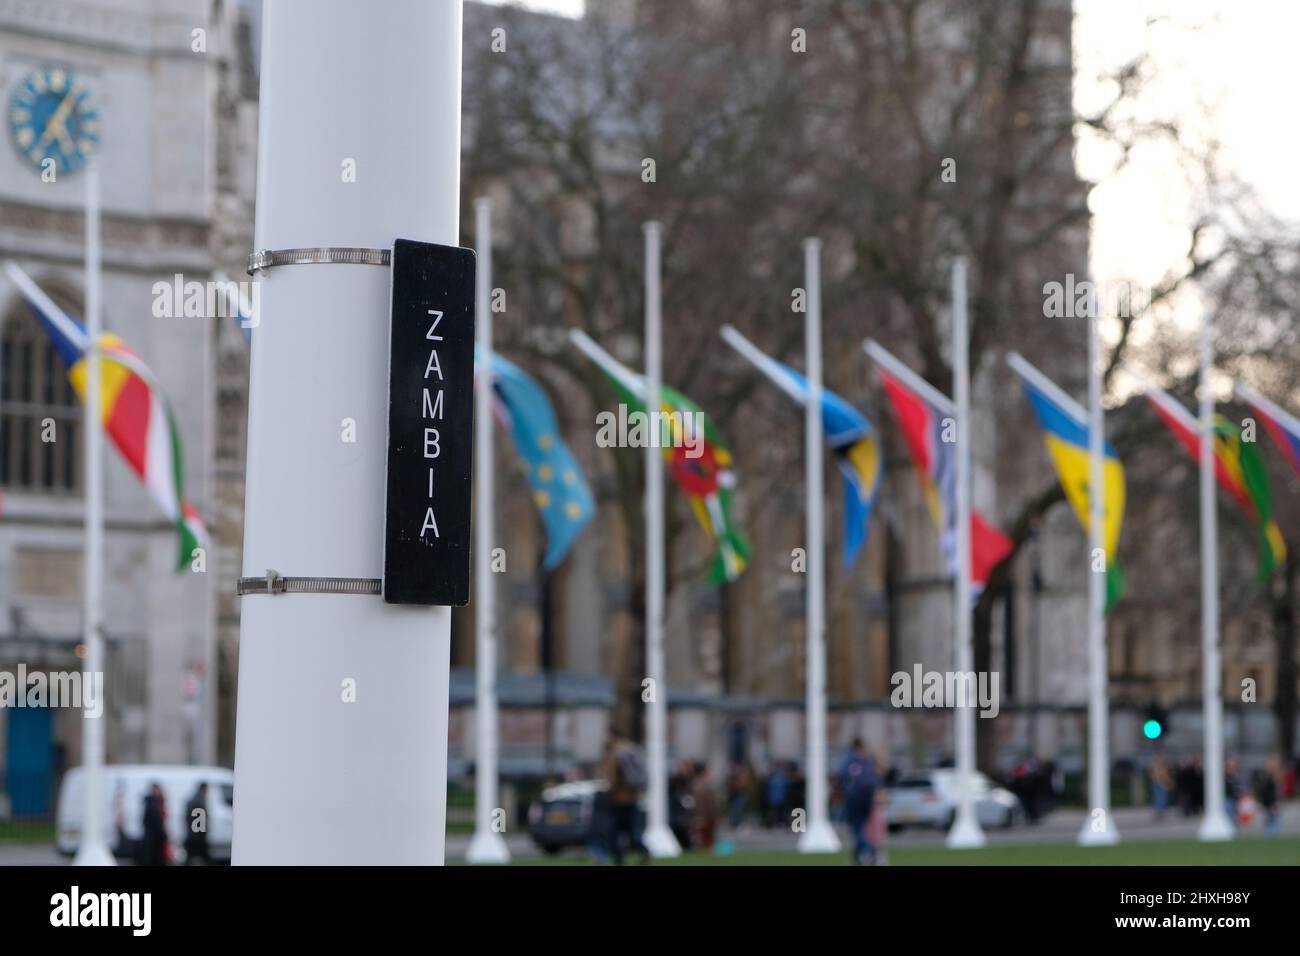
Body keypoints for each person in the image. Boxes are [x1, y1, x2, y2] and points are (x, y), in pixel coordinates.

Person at [600, 731, 648, 865]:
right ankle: (644, 851)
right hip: (632, 798)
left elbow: (613, 779)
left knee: (612, 832)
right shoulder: (632, 750)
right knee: (632, 830)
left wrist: (607, 792)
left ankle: (619, 859)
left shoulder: (615, 754)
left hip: (617, 800)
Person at [837, 739, 878, 865]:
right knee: (861, 828)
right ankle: (858, 858)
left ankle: (871, 851)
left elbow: (841, 775)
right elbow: (876, 779)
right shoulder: (868, 760)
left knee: (857, 829)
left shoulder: (850, 760)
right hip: (867, 798)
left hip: (854, 799)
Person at [139, 783, 170, 866]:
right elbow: (157, 822)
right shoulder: (154, 804)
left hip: (153, 839)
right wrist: (164, 836)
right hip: (156, 839)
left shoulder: (152, 803)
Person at [691, 762, 719, 850]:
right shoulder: (704, 786)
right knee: (706, 843)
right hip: (706, 818)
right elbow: (710, 804)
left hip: (701, 817)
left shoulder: (694, 784)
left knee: (703, 842)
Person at [1255, 755, 1282, 835]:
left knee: (1272, 824)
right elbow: (1268, 793)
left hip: (1271, 804)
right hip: (1270, 804)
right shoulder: (1268, 778)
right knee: (1271, 825)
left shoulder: (1272, 777)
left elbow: (1273, 793)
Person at [184, 782, 210, 865]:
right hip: (197, 835)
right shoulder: (200, 800)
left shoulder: (194, 799)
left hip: (192, 834)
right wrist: (201, 833)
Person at [1148, 754, 1173, 820]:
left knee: (1161, 798)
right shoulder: (1158, 766)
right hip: (1159, 783)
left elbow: (1166, 776)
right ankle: (1159, 812)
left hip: (1160, 783)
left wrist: (1168, 782)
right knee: (1159, 798)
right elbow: (1154, 775)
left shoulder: (1161, 767)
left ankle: (1160, 813)